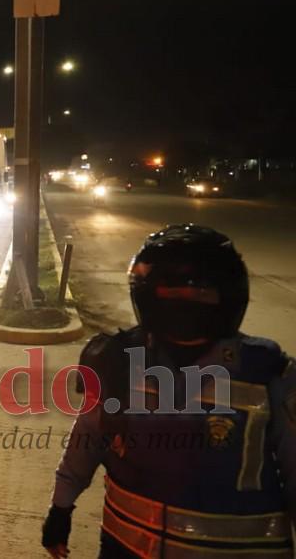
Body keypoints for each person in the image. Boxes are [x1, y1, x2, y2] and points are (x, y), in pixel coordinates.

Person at [42, 224, 296, 558]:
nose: (184, 303)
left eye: (200, 292)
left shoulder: (270, 375)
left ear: (228, 296)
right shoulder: (117, 360)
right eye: (170, 292)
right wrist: (61, 509)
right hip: (126, 548)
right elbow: (87, 439)